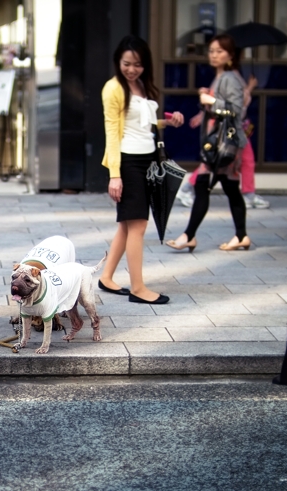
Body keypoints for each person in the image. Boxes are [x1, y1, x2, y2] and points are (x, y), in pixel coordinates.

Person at [99, 35, 183, 305]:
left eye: (137, 64)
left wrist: (168, 122)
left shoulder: (141, 86)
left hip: (147, 159)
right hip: (127, 161)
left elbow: (141, 122)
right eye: (126, 63)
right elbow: (112, 132)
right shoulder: (113, 88)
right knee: (138, 225)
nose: (131, 69)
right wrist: (115, 174)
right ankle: (138, 288)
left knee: (127, 225)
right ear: (118, 62)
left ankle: (106, 277)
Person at [167, 34, 250, 253]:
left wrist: (211, 100)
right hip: (221, 145)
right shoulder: (221, 76)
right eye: (211, 51)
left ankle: (189, 235)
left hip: (226, 146)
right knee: (229, 189)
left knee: (204, 184)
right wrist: (206, 102)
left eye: (219, 51)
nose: (214, 55)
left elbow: (237, 111)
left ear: (231, 55)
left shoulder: (230, 78)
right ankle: (239, 236)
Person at [177, 73, 269, 210]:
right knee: (215, 162)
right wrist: (250, 87)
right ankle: (188, 188)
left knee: (240, 161)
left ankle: (248, 194)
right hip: (229, 129)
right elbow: (234, 105)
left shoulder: (230, 77)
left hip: (235, 128)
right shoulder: (228, 78)